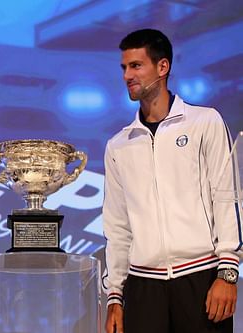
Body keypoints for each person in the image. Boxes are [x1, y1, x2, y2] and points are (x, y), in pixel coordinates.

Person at [102, 28, 241, 333]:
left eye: (136, 66)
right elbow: (117, 226)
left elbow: (227, 197)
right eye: (124, 67)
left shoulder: (205, 122)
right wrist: (115, 295)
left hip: (201, 279)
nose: (127, 75)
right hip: (142, 288)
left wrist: (228, 272)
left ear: (162, 67)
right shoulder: (118, 145)